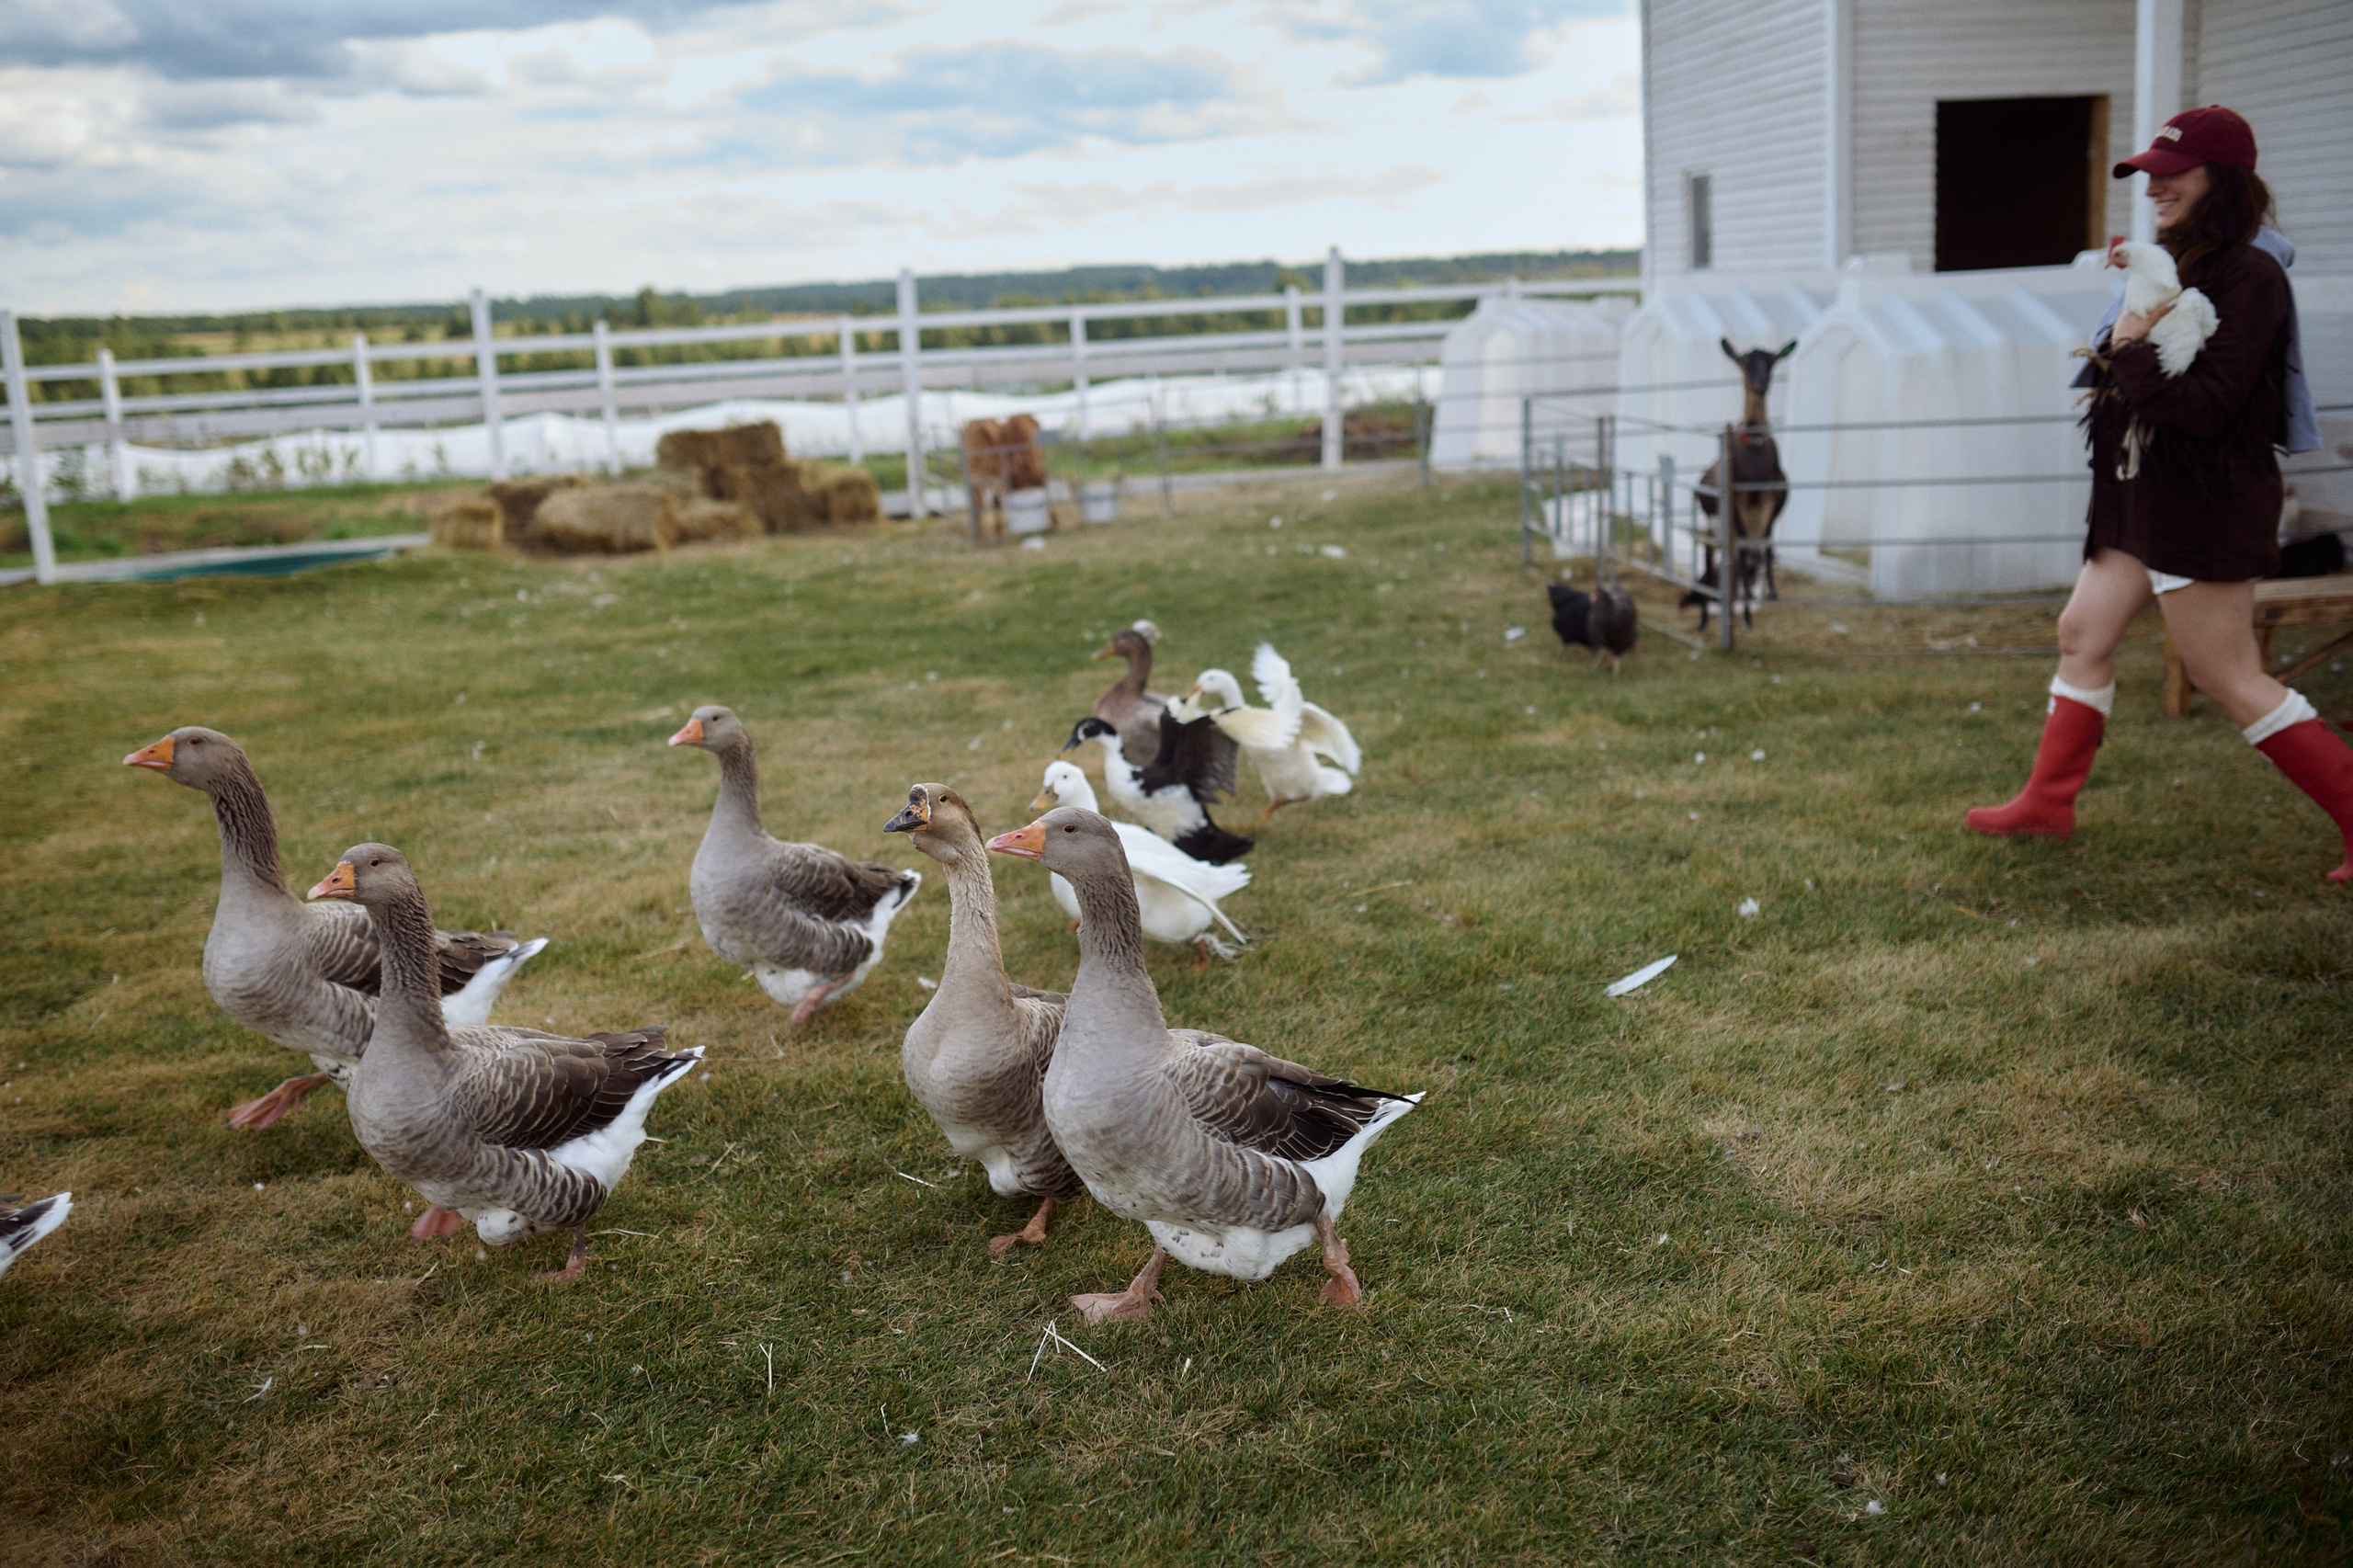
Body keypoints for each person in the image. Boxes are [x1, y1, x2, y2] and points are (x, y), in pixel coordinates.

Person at [1966, 105, 2348, 881]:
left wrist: (2129, 352)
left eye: (2172, 175)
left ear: (2224, 180)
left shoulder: (2251, 277)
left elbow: (2209, 409)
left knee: (2230, 676)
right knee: (2083, 633)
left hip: (2204, 504)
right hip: (2140, 498)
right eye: (2148, 175)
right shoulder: (2178, 261)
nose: (2154, 188)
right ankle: (2048, 804)